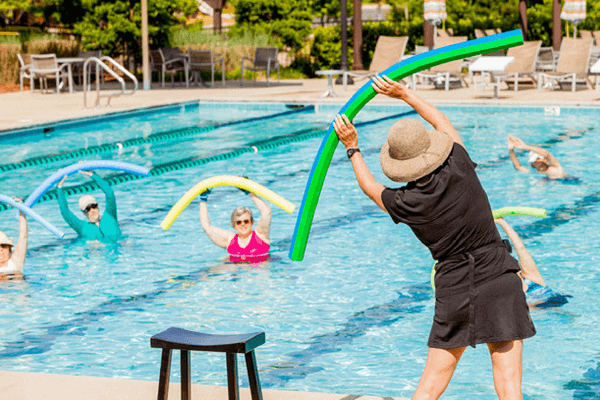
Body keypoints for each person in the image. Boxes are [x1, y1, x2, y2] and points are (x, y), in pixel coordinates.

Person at [332, 75, 535, 400]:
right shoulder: (459, 162)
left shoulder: (406, 202)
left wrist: (352, 147)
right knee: (510, 387)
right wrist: (404, 93)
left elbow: (371, 189)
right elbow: (441, 120)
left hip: (456, 288)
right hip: (499, 277)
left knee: (429, 388)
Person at [494, 217, 569, 308]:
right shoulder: (531, 278)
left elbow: (521, 248)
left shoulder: (529, 277)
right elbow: (521, 248)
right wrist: (502, 223)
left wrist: (502, 223)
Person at [199, 186, 271, 263]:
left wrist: (249, 192)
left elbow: (266, 213)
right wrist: (203, 199)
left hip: (258, 271)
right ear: (234, 225)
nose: (243, 224)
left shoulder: (260, 235)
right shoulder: (229, 240)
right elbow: (206, 227)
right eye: (239, 222)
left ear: (252, 222)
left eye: (246, 221)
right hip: (236, 271)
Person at [57, 170, 122, 241]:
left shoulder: (110, 216)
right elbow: (65, 212)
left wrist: (93, 175)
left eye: (94, 206)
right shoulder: (82, 228)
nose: (92, 210)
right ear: (84, 213)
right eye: (88, 209)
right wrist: (59, 186)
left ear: (98, 206)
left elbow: (109, 193)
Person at [0, 201, 28, 280]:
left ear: (9, 249)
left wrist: (21, 210)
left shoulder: (14, 263)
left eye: (4, 246)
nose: (1, 249)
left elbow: (23, 236)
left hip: (17, 290)